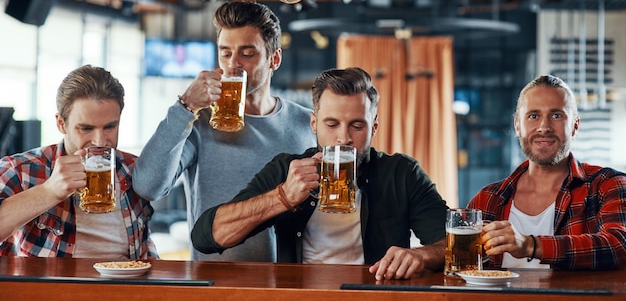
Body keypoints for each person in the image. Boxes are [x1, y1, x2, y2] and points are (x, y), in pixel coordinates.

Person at [191, 67, 448, 280]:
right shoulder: (288, 170)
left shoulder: (402, 174)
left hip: (373, 297)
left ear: (374, 126)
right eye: (332, 124)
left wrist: (421, 255)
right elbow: (206, 236)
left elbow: (449, 244)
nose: (343, 138)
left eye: (357, 126)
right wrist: (282, 197)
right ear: (314, 123)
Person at [133, 0, 316, 262]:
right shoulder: (197, 121)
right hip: (216, 285)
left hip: (288, 284)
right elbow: (148, 186)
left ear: (274, 58)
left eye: (247, 53)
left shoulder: (306, 122)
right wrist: (186, 105)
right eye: (225, 52)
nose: (233, 64)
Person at [468, 74, 626, 270]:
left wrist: (530, 245)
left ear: (575, 125)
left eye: (557, 115)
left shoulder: (608, 185)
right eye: (534, 116)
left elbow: (619, 245)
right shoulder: (486, 199)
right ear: (518, 126)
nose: (544, 127)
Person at [0, 65, 157, 258]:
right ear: (61, 124)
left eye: (110, 127)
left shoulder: (134, 170)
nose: (100, 141)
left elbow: (146, 252)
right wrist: (48, 191)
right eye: (85, 129)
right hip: (53, 288)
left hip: (125, 287)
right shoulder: (21, 170)